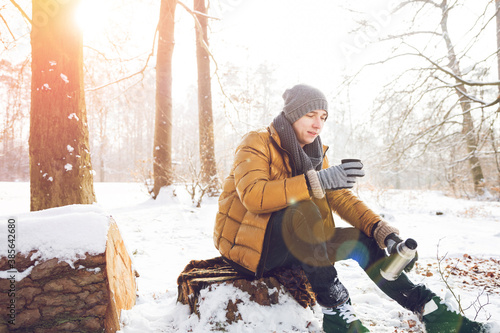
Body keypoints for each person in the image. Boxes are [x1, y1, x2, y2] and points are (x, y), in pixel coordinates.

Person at [213, 84, 488, 332]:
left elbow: (341, 198)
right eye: (311, 114)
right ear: (292, 114)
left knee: (365, 242)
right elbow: (253, 195)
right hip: (253, 249)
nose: (318, 123)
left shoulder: (314, 152)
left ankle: (432, 311)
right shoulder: (256, 142)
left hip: (302, 243)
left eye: (323, 116)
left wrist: (383, 232)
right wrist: (318, 180)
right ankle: (338, 314)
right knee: (301, 212)